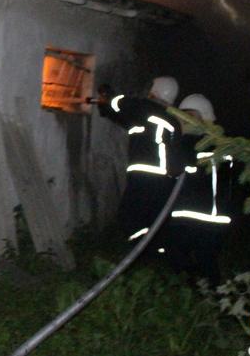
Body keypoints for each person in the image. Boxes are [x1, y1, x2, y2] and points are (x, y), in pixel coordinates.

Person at [96, 76, 184, 247]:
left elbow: (122, 105)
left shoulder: (147, 110)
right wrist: (106, 110)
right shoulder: (169, 121)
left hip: (145, 175)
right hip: (163, 180)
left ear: (155, 91)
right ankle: (155, 253)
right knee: (152, 218)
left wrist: (109, 97)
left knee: (129, 216)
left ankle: (139, 252)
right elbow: (129, 122)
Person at [166, 93, 233, 284]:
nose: (184, 120)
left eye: (189, 115)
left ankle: (208, 300)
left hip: (199, 217)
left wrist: (177, 139)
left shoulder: (199, 143)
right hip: (202, 216)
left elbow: (173, 168)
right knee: (198, 263)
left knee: (198, 264)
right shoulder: (218, 143)